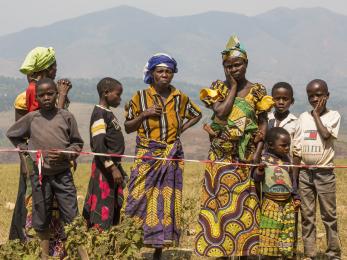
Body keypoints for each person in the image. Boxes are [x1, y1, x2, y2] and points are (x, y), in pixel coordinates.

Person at [195, 35, 274, 258]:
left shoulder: (257, 90)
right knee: (217, 207)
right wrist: (232, 87)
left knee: (246, 207)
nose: (233, 69)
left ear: (246, 64)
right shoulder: (217, 88)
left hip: (245, 159)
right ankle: (219, 252)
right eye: (228, 66)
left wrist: (257, 154)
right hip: (219, 159)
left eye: (237, 65)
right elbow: (221, 112)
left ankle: (245, 251)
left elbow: (263, 121)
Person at [124, 53, 202, 259]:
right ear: (152, 74)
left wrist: (179, 131)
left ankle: (159, 248)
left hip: (171, 154)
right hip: (147, 156)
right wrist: (144, 114)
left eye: (168, 71)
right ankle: (128, 242)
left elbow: (197, 114)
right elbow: (128, 127)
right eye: (160, 71)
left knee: (166, 200)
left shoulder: (180, 97)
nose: (165, 75)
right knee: (137, 197)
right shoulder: (140, 98)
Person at [7, 78, 88, 260]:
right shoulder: (32, 118)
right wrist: (25, 148)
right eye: (41, 95)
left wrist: (66, 154)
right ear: (36, 97)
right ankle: (44, 256)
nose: (46, 98)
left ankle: (82, 255)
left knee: (72, 217)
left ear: (56, 94)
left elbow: (77, 143)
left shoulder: (66, 117)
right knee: (41, 216)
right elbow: (12, 133)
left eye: (50, 94)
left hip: (63, 175)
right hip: (40, 176)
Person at [9, 47, 73, 258]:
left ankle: (52, 250)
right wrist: (62, 97)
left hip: (53, 162)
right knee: (39, 206)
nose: (56, 69)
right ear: (46, 68)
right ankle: (40, 250)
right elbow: (50, 120)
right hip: (38, 164)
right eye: (53, 65)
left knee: (51, 205)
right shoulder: (32, 94)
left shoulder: (39, 90)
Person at [292, 79, 341, 260]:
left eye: (319, 95)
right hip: (305, 173)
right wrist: (295, 179)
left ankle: (333, 253)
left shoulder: (333, 115)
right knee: (308, 215)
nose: (314, 99)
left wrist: (317, 115)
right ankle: (309, 253)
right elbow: (296, 149)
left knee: (329, 215)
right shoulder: (302, 118)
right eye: (311, 95)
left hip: (324, 173)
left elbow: (326, 134)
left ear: (327, 95)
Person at [83, 77, 127, 230]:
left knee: (110, 205)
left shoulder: (107, 113)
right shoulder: (99, 114)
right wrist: (112, 168)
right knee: (102, 206)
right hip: (105, 168)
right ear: (106, 93)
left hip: (110, 167)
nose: (120, 99)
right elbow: (99, 145)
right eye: (117, 95)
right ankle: (98, 242)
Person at [253, 127, 301, 259]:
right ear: (270, 145)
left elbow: (292, 181)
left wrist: (296, 197)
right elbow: (256, 179)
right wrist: (260, 171)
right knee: (270, 233)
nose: (287, 148)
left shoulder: (287, 160)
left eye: (289, 145)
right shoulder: (263, 159)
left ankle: (284, 256)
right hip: (270, 203)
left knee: (286, 234)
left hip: (287, 204)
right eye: (283, 145)